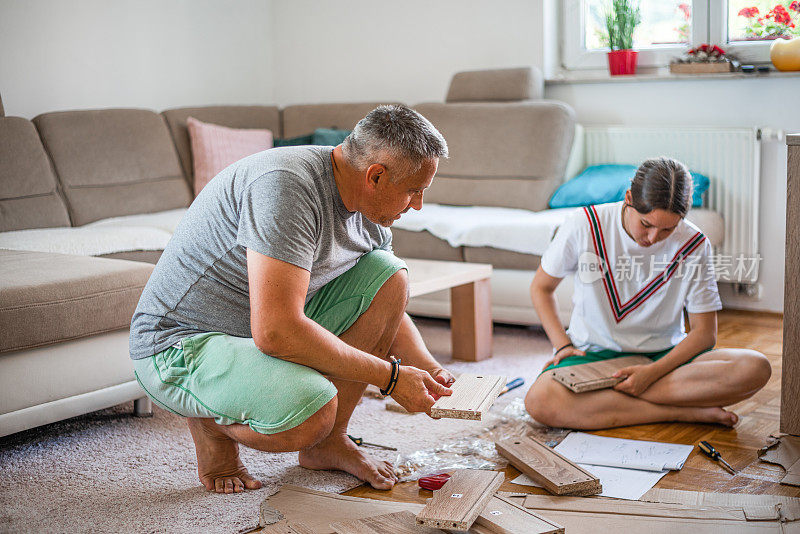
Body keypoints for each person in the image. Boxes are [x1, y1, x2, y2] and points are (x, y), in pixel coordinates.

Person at [129, 105, 455, 494]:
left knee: (389, 274)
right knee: (311, 412)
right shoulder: (286, 186)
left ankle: (331, 443)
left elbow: (382, 307)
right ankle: (210, 425)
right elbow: (276, 332)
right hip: (182, 342)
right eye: (413, 191)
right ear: (376, 176)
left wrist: (429, 368)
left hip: (256, 329)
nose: (417, 204)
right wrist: (390, 378)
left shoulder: (372, 211)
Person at [525, 156, 771, 430]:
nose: (653, 238)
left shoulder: (694, 243)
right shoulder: (584, 224)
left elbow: (705, 334)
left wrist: (651, 374)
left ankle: (613, 396)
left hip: (666, 358)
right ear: (629, 198)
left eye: (668, 228)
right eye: (646, 224)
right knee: (540, 400)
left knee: (755, 367)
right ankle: (683, 412)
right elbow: (541, 288)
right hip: (596, 355)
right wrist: (563, 346)